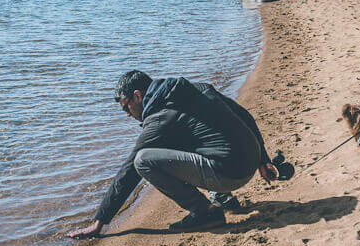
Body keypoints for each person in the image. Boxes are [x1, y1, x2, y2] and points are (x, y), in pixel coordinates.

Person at [69, 70, 277, 237]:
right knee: (186, 135)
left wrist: (100, 221)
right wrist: (263, 160)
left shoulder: (160, 118)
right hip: (249, 162)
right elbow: (243, 115)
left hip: (230, 174)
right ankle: (221, 196)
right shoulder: (196, 89)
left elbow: (129, 169)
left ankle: (205, 213)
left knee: (143, 160)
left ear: (137, 96)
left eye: (126, 107)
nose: (126, 114)